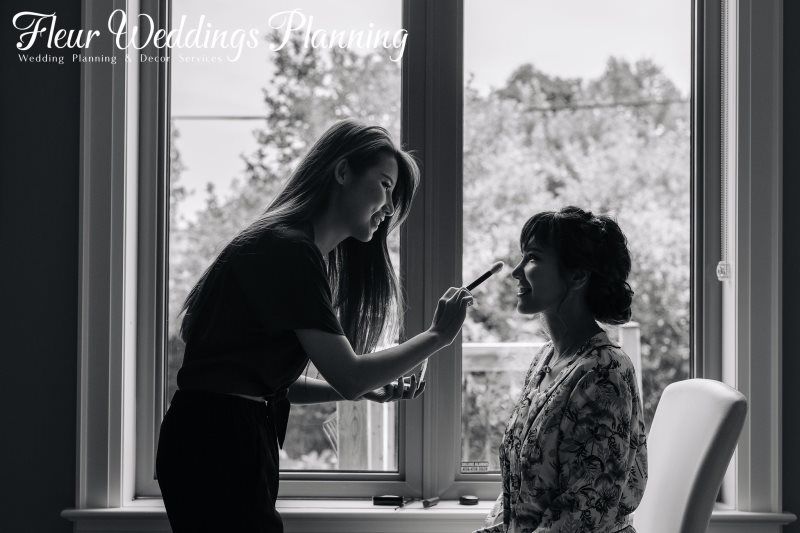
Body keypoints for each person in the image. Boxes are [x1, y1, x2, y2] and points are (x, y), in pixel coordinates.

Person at [156, 119, 474, 533]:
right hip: (220, 443)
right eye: (384, 185)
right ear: (342, 172)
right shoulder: (289, 251)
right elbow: (350, 376)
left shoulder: (289, 247)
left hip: (215, 436)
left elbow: (269, 383)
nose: (389, 208)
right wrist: (438, 336)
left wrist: (359, 390)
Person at [475, 206, 647, 533]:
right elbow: (521, 496)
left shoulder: (603, 373)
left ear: (578, 275)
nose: (516, 272)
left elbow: (583, 516)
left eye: (533, 258)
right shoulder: (546, 360)